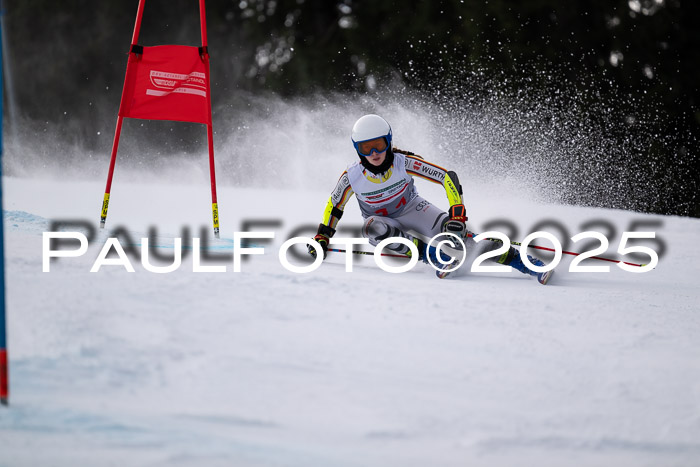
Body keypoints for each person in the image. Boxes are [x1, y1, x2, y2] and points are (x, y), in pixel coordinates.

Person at [307, 114, 553, 284]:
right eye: (366, 148)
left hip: (413, 208)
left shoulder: (404, 162)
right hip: (382, 221)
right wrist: (322, 237)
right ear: (357, 149)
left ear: (389, 142)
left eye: (379, 145)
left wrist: (457, 215)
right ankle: (435, 257)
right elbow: (334, 205)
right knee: (373, 228)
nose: (374, 154)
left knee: (463, 241)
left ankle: (528, 263)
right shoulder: (352, 176)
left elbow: (447, 177)